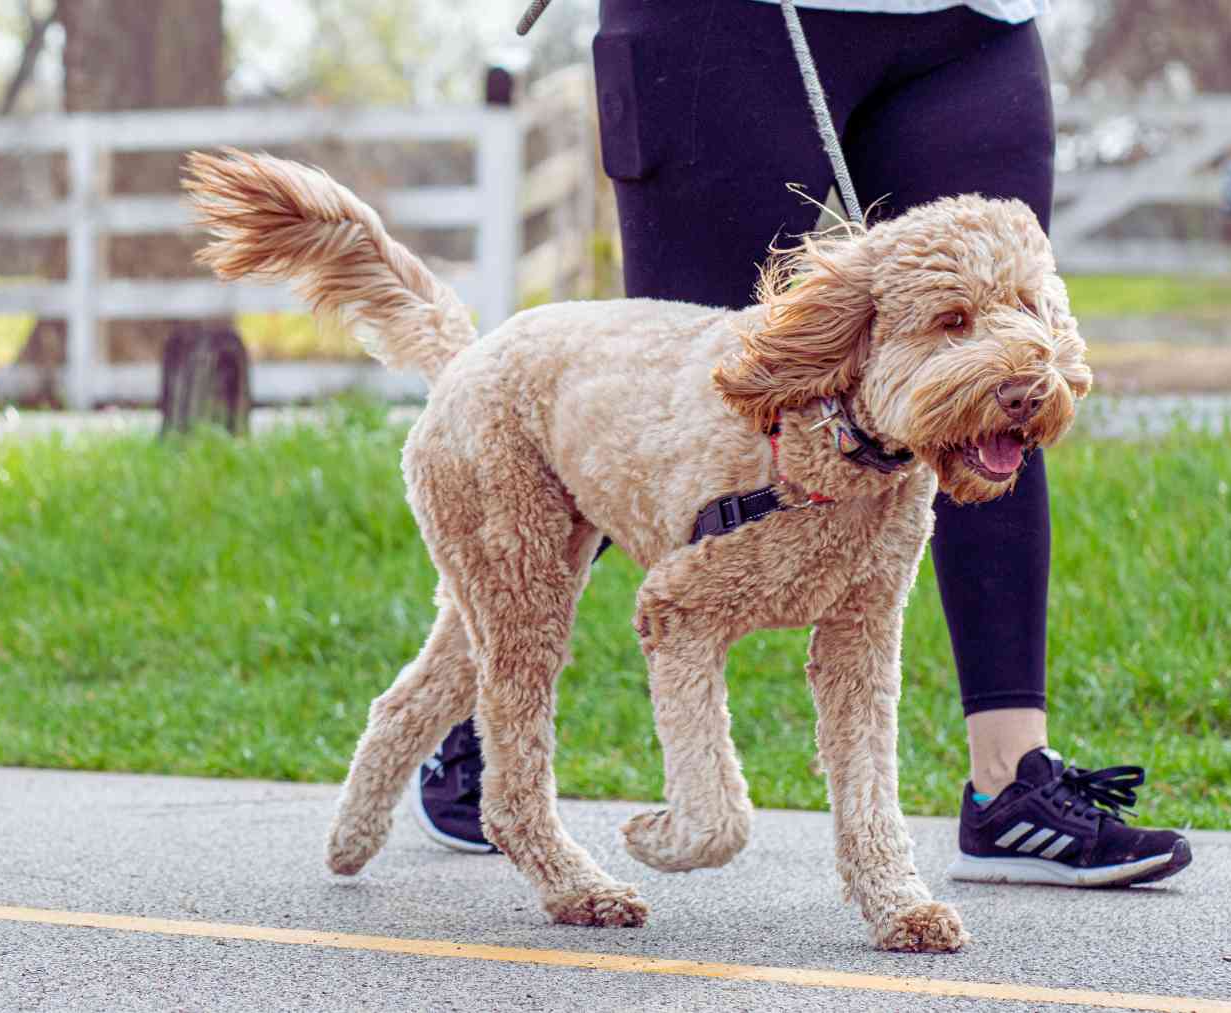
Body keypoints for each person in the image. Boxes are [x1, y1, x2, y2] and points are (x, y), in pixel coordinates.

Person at [415, 0, 1191, 887]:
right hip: (727, 21)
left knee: (988, 380)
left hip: (973, 21)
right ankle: (481, 727)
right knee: (674, 413)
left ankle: (1009, 785)